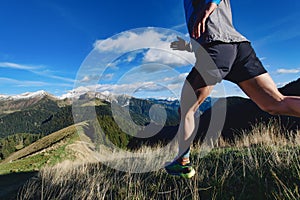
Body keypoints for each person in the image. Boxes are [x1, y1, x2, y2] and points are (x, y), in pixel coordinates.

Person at [165, 0, 300, 178]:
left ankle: (183, 162)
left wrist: (208, 8)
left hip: (217, 47)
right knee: (275, 102)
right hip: (239, 48)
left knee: (187, 107)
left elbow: (213, 28)